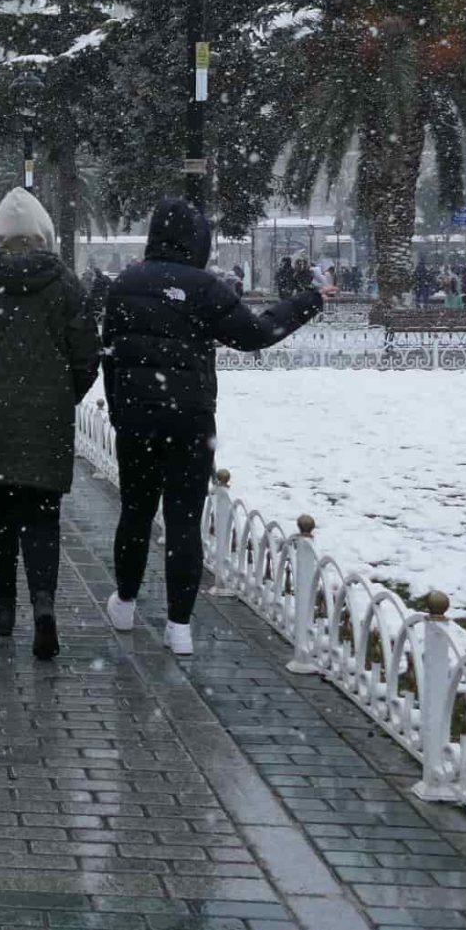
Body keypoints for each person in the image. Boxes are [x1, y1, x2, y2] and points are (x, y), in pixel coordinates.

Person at [101, 198, 323, 656]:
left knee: (136, 511)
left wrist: (123, 409)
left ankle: (124, 601)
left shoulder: (125, 284)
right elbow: (255, 335)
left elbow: (112, 353)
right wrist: (306, 302)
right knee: (184, 520)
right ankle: (178, 625)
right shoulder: (206, 288)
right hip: (189, 418)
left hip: (137, 417)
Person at [0, 189, 98, 660]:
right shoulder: (66, 284)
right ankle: (45, 605)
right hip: (46, 416)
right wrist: (59, 395)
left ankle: (5, 606)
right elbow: (85, 357)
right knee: (43, 516)